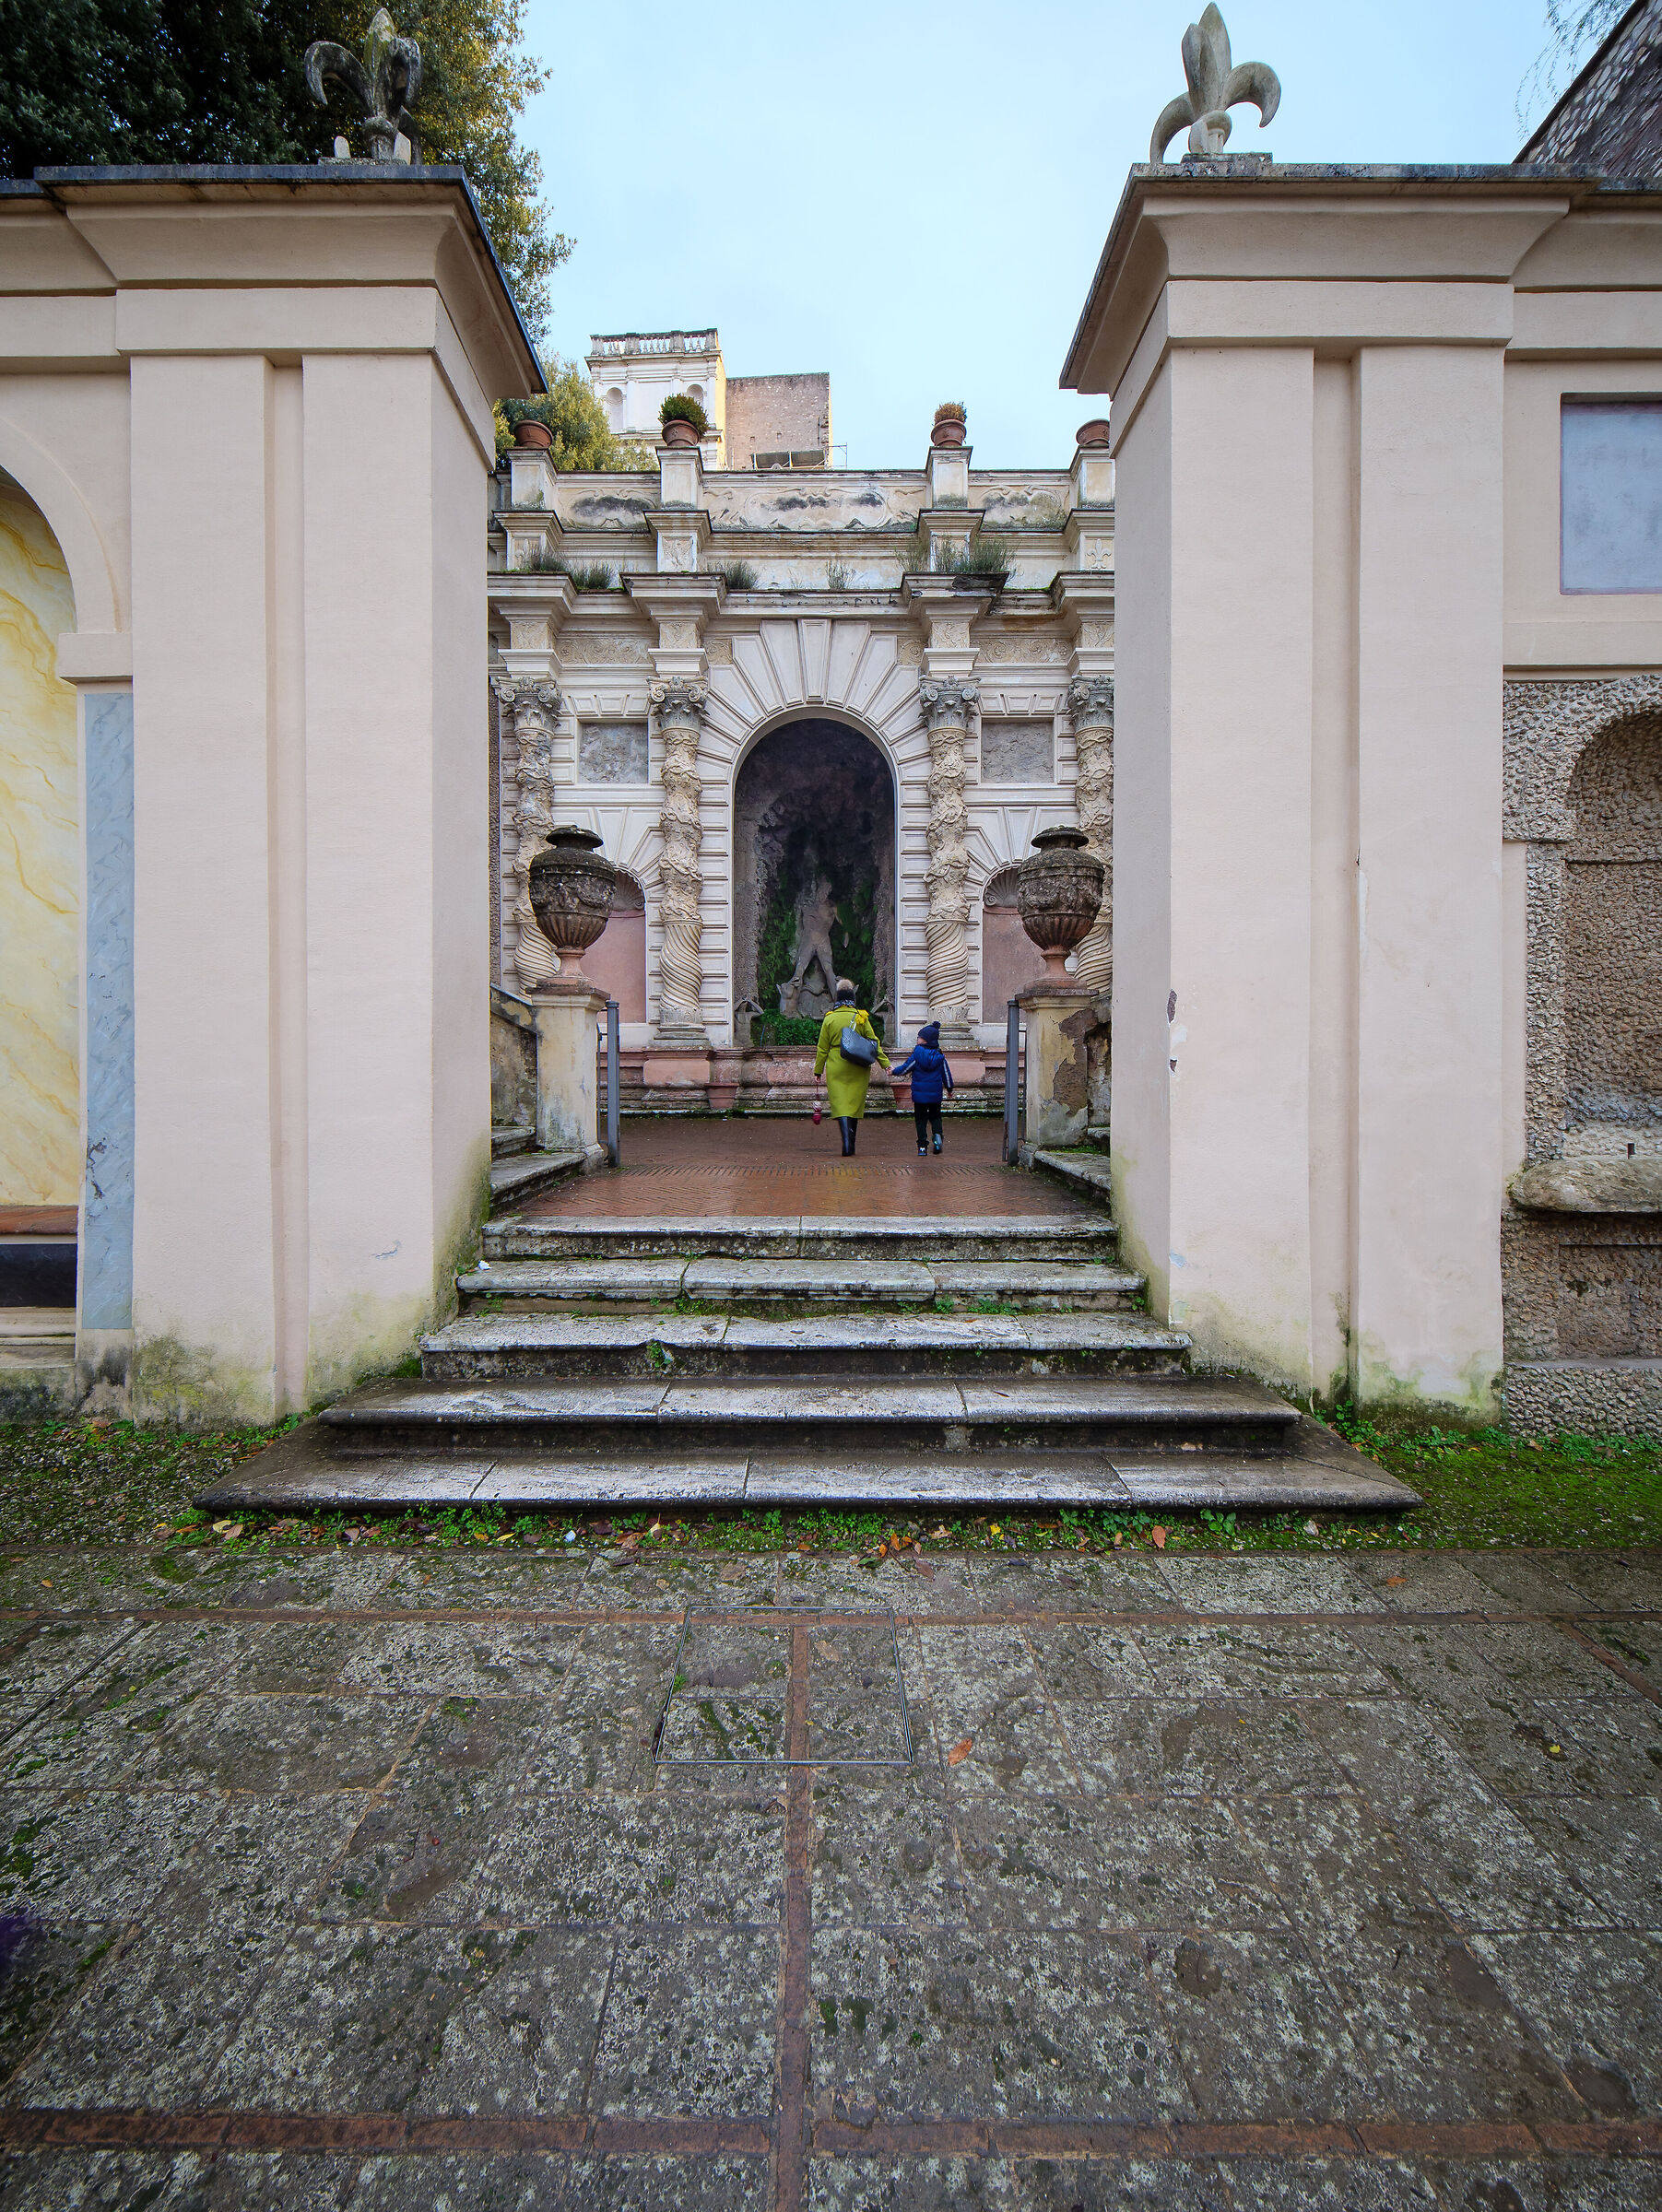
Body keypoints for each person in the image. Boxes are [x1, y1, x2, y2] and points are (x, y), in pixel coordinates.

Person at [813, 978, 890, 1157]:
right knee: (854, 1104)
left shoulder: (830, 1019)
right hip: (858, 1065)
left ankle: (846, 1142)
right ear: (852, 998)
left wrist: (818, 1070)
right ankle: (852, 1142)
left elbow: (822, 1048)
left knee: (840, 1105)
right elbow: (874, 1042)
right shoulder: (860, 1017)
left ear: (837, 998)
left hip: (836, 1064)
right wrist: (885, 1063)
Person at [892, 1020, 954, 1156]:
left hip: (920, 1095)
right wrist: (949, 1089)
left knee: (920, 1120)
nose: (918, 1039)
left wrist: (893, 1071)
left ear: (925, 1040)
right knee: (935, 1117)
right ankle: (937, 1135)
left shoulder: (917, 1054)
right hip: (935, 1095)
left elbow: (905, 1069)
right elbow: (947, 1074)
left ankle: (922, 1147)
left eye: (920, 1037)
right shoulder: (940, 1056)